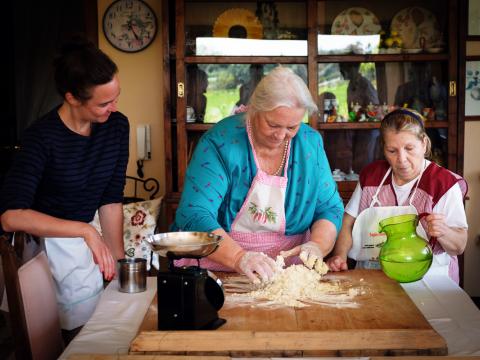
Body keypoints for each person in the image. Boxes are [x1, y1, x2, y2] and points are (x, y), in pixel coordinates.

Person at [0, 37, 129, 331]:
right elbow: (10, 216)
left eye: (116, 97)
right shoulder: (41, 138)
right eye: (104, 103)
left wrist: (120, 264)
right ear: (72, 98)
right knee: (63, 338)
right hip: (44, 254)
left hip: (84, 245)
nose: (114, 107)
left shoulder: (116, 127)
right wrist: (84, 230)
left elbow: (110, 199)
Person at [172, 66, 344, 282]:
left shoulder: (310, 144)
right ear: (253, 110)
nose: (281, 136)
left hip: (288, 271)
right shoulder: (221, 141)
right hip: (218, 264)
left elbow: (329, 208)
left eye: (292, 127)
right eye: (273, 124)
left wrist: (317, 245)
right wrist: (238, 257)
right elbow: (194, 213)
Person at [326, 108, 468, 284]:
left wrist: (444, 232)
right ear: (383, 149)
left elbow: (459, 245)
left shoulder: (443, 183)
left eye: (409, 148)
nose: (401, 159)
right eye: (392, 150)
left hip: (430, 279)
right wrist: (339, 256)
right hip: (373, 277)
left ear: (423, 144)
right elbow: (348, 223)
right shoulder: (371, 176)